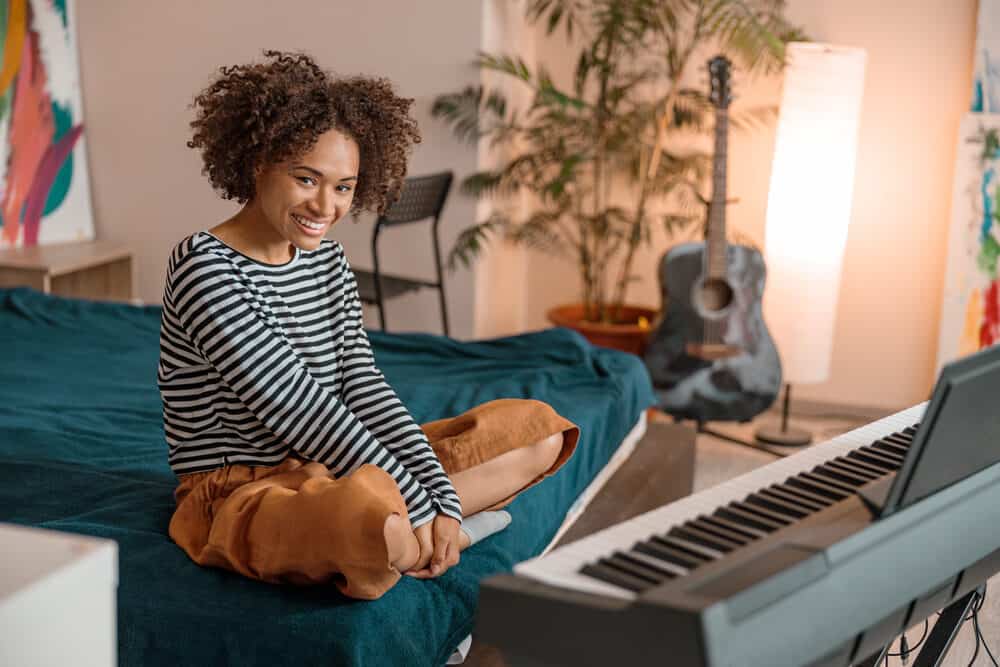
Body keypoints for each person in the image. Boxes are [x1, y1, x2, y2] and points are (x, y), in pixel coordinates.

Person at [158, 50, 579, 600]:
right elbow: (299, 408)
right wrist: (421, 497)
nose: (325, 205)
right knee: (369, 521)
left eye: (343, 187)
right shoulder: (203, 266)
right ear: (258, 162)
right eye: (307, 178)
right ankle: (409, 530)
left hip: (336, 460)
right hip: (243, 491)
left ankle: (422, 530)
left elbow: (361, 383)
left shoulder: (327, 261)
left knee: (540, 433)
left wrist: (439, 499)